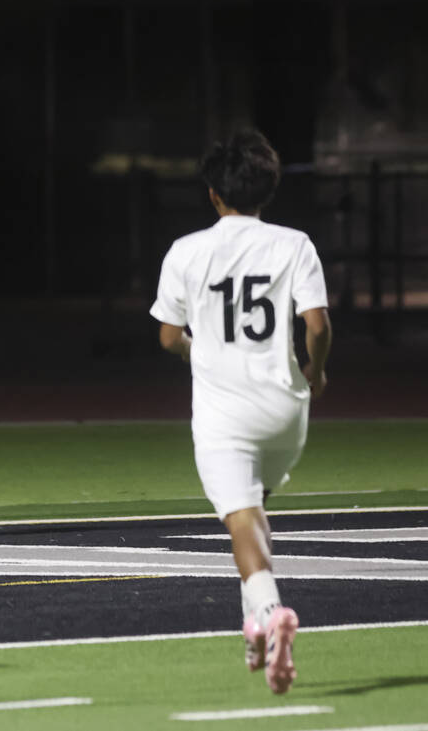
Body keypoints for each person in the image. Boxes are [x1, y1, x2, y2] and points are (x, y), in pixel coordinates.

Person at [150, 130, 331, 696]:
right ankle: (252, 620)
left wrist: (192, 349)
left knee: (240, 518)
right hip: (285, 409)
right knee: (253, 510)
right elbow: (318, 326)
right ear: (268, 189)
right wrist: (316, 370)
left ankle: (271, 612)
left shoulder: (186, 250)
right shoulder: (294, 243)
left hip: (225, 412)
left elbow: (168, 336)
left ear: (213, 194)